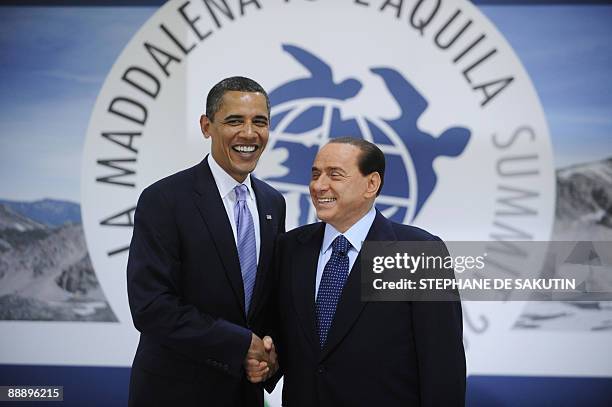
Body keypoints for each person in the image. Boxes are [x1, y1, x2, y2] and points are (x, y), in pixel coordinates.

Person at [252, 137, 465, 406]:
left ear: (371, 184)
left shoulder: (419, 251)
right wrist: (267, 361)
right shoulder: (289, 249)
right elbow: (284, 337)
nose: (318, 186)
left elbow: (443, 366)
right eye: (315, 174)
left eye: (335, 175)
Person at [127, 76, 285, 407]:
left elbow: (266, 300)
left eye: (260, 122)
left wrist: (270, 355)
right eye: (234, 121)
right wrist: (241, 345)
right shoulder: (165, 200)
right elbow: (152, 307)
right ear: (206, 126)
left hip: (246, 394)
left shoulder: (273, 203)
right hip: (176, 394)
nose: (249, 133)